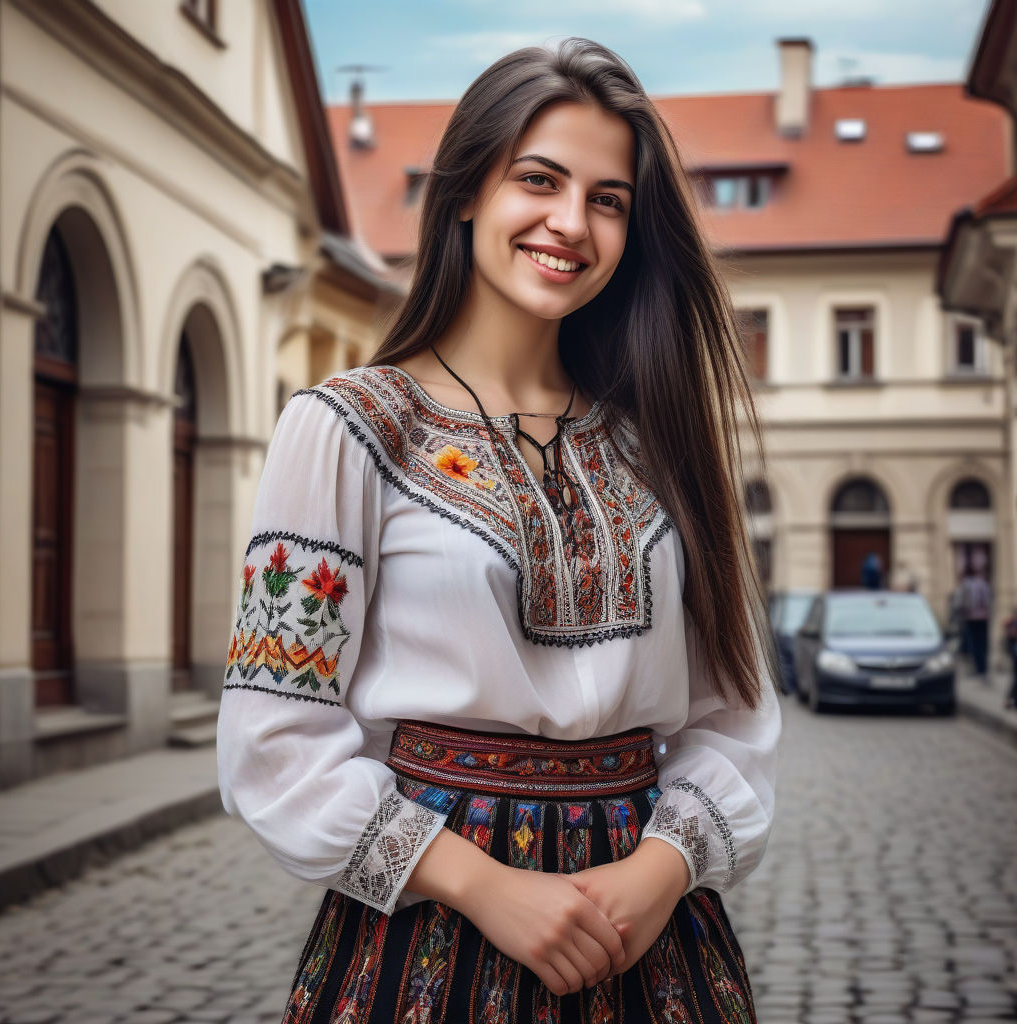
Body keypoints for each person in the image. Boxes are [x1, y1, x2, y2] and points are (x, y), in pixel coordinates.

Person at [217, 37, 781, 1023]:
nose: (572, 222)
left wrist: (658, 869)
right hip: (426, 937)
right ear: (469, 189)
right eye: (539, 178)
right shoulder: (345, 428)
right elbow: (274, 735)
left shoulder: (665, 444)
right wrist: (484, 885)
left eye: (608, 199)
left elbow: (727, 720)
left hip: (653, 945)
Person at [959, 568, 992, 679]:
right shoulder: (983, 583)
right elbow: (988, 600)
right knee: (983, 643)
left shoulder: (966, 584)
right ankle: (984, 667)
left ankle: (979, 668)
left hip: (971, 617)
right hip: (984, 617)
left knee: (974, 644)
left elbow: (963, 601)